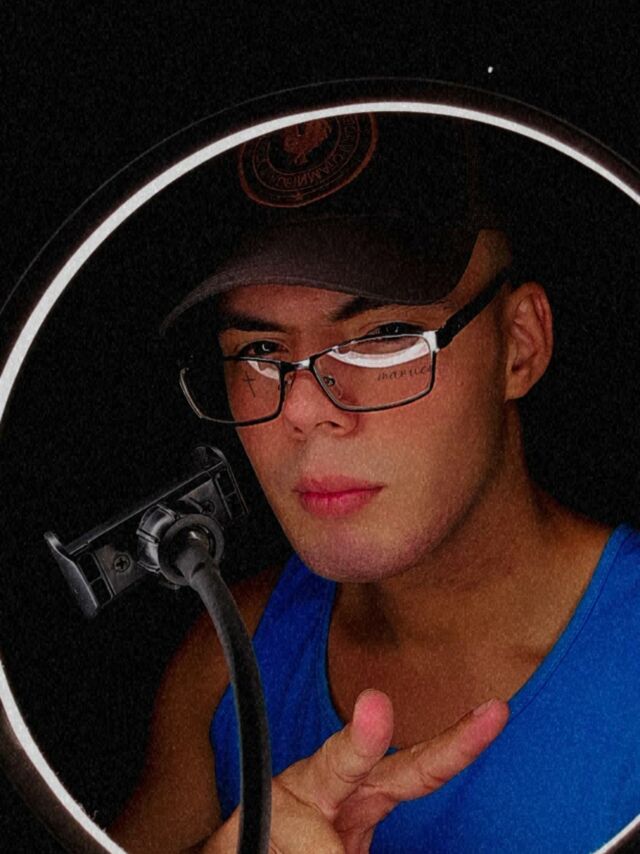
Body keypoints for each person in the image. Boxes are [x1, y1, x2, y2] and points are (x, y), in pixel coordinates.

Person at [109, 113, 640, 852]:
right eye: (260, 349)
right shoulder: (229, 660)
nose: (303, 409)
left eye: (383, 337)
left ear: (520, 347)